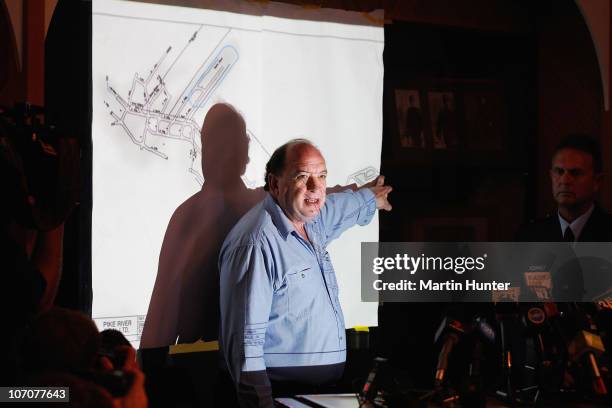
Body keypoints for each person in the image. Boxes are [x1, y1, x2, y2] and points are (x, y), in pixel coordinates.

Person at [218, 139, 392, 407]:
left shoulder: (310, 220)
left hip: (318, 393)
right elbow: (245, 343)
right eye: (303, 177)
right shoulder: (256, 243)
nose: (316, 187)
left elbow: (338, 209)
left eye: (321, 176)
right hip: (282, 395)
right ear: (275, 184)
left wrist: (370, 199)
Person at [517, 134, 612, 243]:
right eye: (559, 172)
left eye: (576, 173)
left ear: (597, 181)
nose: (564, 181)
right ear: (551, 176)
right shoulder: (529, 236)